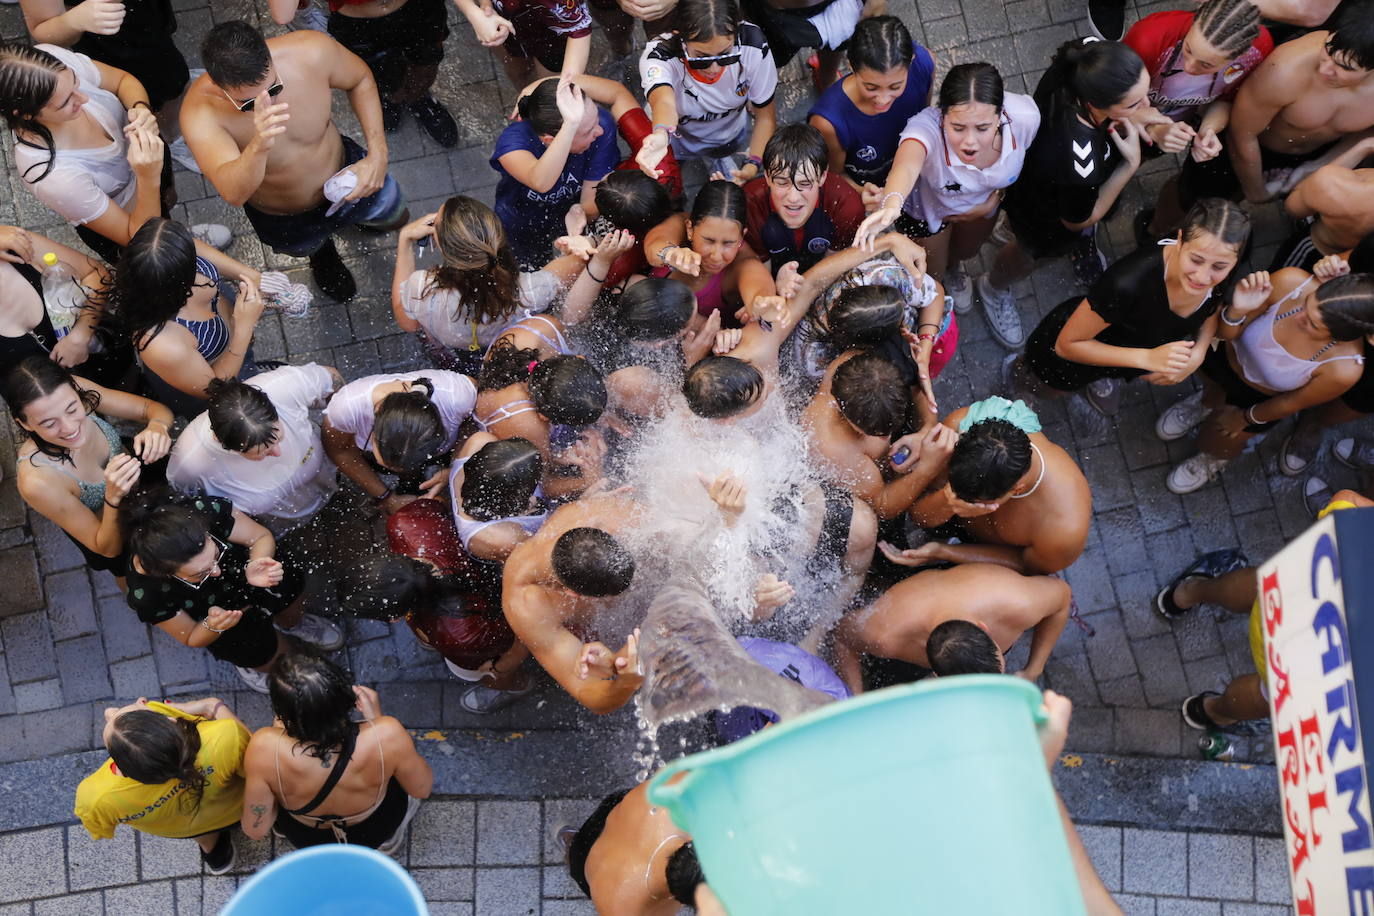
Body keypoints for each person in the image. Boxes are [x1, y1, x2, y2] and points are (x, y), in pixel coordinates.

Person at [182, 21, 406, 303]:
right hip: (286, 215)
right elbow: (234, 192)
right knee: (310, 246)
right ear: (216, 84)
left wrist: (378, 154)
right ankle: (323, 258)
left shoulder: (310, 51)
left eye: (274, 89)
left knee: (394, 214)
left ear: (269, 56)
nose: (269, 106)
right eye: (248, 104)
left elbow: (360, 78)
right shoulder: (200, 112)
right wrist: (259, 145)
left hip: (349, 170)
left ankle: (364, 224)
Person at [974, 39, 1148, 349]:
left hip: (1030, 177)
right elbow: (1078, 221)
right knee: (1028, 253)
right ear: (1097, 105)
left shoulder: (1087, 58)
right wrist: (1130, 165)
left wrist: (1151, 122)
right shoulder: (1082, 163)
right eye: (1134, 105)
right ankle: (993, 288)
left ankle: (1005, 229)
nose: (1146, 107)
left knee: (1018, 223)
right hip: (1047, 214)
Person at [1158, 490, 1373, 731]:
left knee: (1260, 586)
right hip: (1311, 670)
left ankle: (1185, 594)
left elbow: (1347, 502)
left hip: (1287, 599)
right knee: (1266, 694)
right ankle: (1212, 711)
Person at [1014, 198, 1250, 416]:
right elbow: (1066, 345)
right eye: (1196, 260)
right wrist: (1147, 359)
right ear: (1179, 241)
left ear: (1233, 262)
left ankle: (1105, 373)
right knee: (1051, 387)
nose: (1202, 276)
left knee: (1106, 370)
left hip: (1133, 353)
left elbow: (1211, 308)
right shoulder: (1126, 283)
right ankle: (1023, 386)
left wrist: (1197, 354)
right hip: (1077, 349)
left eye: (1219, 267)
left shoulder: (1221, 271)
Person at [0, 42, 229, 264]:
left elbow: (122, 81)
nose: (84, 98)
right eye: (66, 102)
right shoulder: (53, 176)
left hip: (150, 173)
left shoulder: (47, 63)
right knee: (164, 257)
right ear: (27, 115)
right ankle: (186, 252)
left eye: (75, 82)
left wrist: (139, 108)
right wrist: (148, 177)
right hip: (134, 221)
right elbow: (138, 238)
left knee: (167, 204)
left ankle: (183, 238)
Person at [1155, 269, 1374, 493]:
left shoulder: (1344, 368)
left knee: (1221, 439)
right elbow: (1226, 334)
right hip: (1224, 360)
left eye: (1313, 324)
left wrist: (1243, 418)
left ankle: (1213, 458)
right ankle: (1204, 404)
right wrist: (1237, 311)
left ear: (1342, 336)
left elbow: (1291, 403)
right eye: (1306, 304)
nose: (1299, 316)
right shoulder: (1290, 282)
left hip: (1257, 399)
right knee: (1212, 390)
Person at [855, 62, 1040, 310]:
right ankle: (944, 281)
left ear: (1000, 116)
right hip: (927, 212)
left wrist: (996, 198)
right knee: (933, 270)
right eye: (958, 128)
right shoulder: (925, 126)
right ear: (942, 116)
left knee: (966, 252)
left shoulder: (1026, 119)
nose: (970, 142)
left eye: (983, 128)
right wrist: (891, 204)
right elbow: (907, 166)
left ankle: (955, 270)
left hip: (982, 208)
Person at [121, 488, 344, 692]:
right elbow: (190, 635)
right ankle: (265, 663)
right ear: (166, 573)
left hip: (252, 573)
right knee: (264, 653)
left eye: (216, 553)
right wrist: (212, 626)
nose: (216, 571)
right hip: (218, 616)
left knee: (291, 600)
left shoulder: (205, 512)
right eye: (201, 573)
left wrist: (257, 562)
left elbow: (260, 537)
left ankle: (294, 624)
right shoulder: (148, 594)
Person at [1178, 1, 1374, 209]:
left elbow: (1366, 133)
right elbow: (1241, 133)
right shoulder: (1284, 70)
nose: (1325, 69)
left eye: (1344, 67)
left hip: (1316, 155)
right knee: (1192, 202)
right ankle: (1158, 230)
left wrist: (1315, 166)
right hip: (1248, 148)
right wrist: (1256, 191)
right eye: (1327, 50)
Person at [389, 196, 611, 372]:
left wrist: (405, 240)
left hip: (452, 352)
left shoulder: (422, 288)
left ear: (440, 245)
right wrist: (588, 240)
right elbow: (578, 261)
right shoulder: (528, 291)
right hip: (504, 353)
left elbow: (408, 323)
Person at [240, 653, 432, 850]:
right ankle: (388, 842)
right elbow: (421, 788)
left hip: (309, 838)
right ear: (346, 697)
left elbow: (256, 829)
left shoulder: (264, 748)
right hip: (375, 827)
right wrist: (376, 721)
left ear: (282, 711)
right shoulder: (387, 735)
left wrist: (279, 733)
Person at [108, 218, 295, 418]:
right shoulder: (162, 343)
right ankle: (250, 372)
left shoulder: (169, 257)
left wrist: (257, 280)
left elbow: (194, 246)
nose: (199, 270)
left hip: (234, 337)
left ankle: (250, 365)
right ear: (173, 286)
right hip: (216, 377)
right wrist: (243, 328)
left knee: (247, 359)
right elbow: (216, 388)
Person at [6, 355, 171, 576]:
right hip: (114, 533)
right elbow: (108, 549)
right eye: (49, 423)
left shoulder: (75, 390)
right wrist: (112, 499)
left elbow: (151, 409)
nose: (69, 427)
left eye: (72, 409)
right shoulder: (38, 481)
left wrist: (157, 426)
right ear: (25, 423)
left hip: (147, 491)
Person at [1125, 0, 1272, 239]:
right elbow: (1109, 98)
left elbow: (1228, 98)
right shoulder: (1148, 37)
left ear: (1238, 56)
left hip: (1179, 120)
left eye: (1206, 65)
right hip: (1128, 120)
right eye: (1189, 49)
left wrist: (1209, 130)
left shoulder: (1258, 50)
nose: (1191, 67)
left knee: (1143, 156)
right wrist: (1152, 126)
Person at [907, 399, 1093, 576]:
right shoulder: (958, 427)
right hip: (954, 526)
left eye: (977, 503)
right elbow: (917, 514)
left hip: (996, 559)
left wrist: (945, 552)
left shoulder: (1064, 529)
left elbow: (1028, 566)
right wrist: (946, 501)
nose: (962, 502)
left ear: (1017, 489)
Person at [75, 697, 251, 875]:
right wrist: (214, 705)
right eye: (141, 705)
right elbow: (261, 762)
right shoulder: (225, 737)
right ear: (170, 720)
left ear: (123, 767)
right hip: (238, 809)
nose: (109, 712)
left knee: (204, 836)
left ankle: (218, 858)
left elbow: (100, 828)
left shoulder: (95, 797)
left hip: (180, 828)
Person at [832, 562, 1072, 692]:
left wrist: (1034, 668)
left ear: (983, 628)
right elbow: (841, 634)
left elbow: (1062, 597)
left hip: (966, 578)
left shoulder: (1018, 603)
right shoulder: (884, 636)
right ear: (937, 675)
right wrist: (855, 697)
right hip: (910, 597)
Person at [502, 493, 644, 713]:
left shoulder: (592, 515)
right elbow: (590, 695)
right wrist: (627, 682)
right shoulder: (528, 605)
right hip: (595, 632)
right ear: (573, 594)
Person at [342, 551, 532, 713]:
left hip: (486, 643)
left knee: (488, 675)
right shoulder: (405, 525)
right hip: (488, 590)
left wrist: (500, 668)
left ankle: (512, 687)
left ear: (394, 618)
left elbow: (525, 636)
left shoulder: (461, 638)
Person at [167, 364, 344, 535]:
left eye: (279, 438)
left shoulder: (283, 387)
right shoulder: (190, 462)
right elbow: (187, 502)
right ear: (226, 446)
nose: (277, 453)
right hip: (283, 528)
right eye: (261, 453)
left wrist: (345, 434)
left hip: (333, 478)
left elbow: (333, 381)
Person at [492, 75, 638, 269]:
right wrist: (570, 126)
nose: (599, 131)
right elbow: (540, 182)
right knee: (524, 262)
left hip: (570, 212)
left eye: (595, 120)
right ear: (551, 141)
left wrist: (581, 211)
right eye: (587, 131)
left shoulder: (601, 126)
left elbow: (591, 198)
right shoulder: (513, 141)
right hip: (521, 217)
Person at [634, 0, 778, 181]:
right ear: (681, 38)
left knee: (722, 151)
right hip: (677, 140)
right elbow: (663, 102)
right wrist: (662, 133)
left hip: (727, 135)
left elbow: (765, 117)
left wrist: (753, 164)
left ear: (737, 32)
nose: (714, 69)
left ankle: (718, 158)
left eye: (726, 55)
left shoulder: (753, 44)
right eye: (701, 58)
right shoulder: (659, 56)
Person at [803, 351, 957, 519]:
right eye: (873, 433)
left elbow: (917, 389)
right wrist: (926, 470)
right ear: (841, 410)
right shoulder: (833, 448)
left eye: (888, 432)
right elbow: (882, 505)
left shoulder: (864, 364)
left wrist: (926, 429)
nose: (886, 438)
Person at [321, 369, 477, 515]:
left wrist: (455, 467)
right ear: (375, 418)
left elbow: (475, 427)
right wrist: (387, 497)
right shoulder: (346, 409)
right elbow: (340, 450)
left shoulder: (459, 396)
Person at [808, 16, 935, 194]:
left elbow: (926, 117)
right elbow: (834, 175)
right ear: (851, 66)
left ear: (912, 60)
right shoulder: (828, 122)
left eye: (895, 86)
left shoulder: (925, 64)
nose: (883, 100)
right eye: (871, 87)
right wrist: (862, 192)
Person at [0, 224, 129, 387]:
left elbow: (95, 274)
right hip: (65, 406)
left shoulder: (17, 245)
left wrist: (81, 334)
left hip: (111, 353)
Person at [475, 344, 609, 498]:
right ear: (544, 417)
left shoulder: (555, 371)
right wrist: (588, 480)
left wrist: (560, 454)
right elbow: (545, 486)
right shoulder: (528, 423)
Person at [18, 0, 190, 119]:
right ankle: (170, 136)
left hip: (147, 14)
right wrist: (74, 20)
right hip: (115, 36)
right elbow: (42, 28)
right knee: (168, 83)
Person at [320, 0, 458, 146]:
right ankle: (391, 99)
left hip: (418, 7)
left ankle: (419, 98)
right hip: (357, 20)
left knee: (425, 63)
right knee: (382, 76)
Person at [740, 123, 865, 276]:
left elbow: (828, 275)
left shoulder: (845, 206)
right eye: (781, 182)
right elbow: (759, 280)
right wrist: (778, 288)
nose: (793, 198)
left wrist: (801, 289)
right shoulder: (750, 204)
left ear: (822, 177)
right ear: (767, 176)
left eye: (805, 184)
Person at [564, 780, 702, 915]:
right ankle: (569, 845)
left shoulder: (673, 797)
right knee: (575, 857)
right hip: (590, 864)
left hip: (621, 812)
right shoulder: (622, 905)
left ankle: (569, 839)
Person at [660, 180, 784, 328]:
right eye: (709, 241)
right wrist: (668, 253)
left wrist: (763, 302)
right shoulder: (679, 225)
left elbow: (757, 282)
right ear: (690, 229)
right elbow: (654, 245)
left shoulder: (743, 261)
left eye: (728, 243)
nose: (716, 256)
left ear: (742, 236)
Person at [1275, 137, 1374, 271]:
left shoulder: (1334, 185)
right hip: (1357, 266)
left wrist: (1364, 146)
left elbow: (1292, 208)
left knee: (1276, 286)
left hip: (1316, 251)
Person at [455, 0, 591, 86]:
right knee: (517, 69)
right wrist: (477, 11)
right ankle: (524, 92)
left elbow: (578, 28)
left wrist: (564, 89)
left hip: (552, 31)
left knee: (549, 83)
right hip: (502, 18)